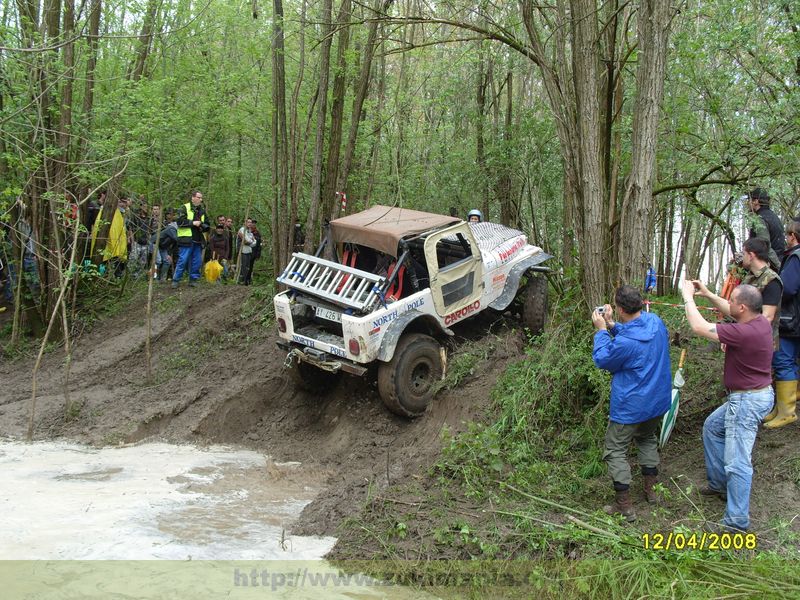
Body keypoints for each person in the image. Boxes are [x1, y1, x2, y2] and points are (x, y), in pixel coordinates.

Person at [682, 281, 773, 532]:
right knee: (712, 428)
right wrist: (708, 294)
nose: (729, 302)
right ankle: (719, 485)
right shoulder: (759, 322)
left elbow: (698, 327)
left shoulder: (744, 332)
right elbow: (730, 311)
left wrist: (688, 297)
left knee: (738, 461)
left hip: (746, 400)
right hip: (756, 394)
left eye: (732, 299)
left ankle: (736, 522)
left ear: (742, 307)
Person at [592, 285, 672, 521]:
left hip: (630, 406)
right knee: (647, 438)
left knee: (615, 449)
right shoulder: (655, 322)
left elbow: (603, 358)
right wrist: (612, 325)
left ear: (619, 309)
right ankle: (651, 491)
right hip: (657, 401)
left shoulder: (626, 343)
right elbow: (634, 340)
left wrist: (600, 331)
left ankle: (624, 505)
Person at [691, 238, 782, 345]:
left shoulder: (771, 280)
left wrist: (735, 335)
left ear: (751, 255)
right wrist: (707, 294)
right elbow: (734, 309)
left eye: (744, 254)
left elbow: (767, 318)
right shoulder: (750, 277)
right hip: (742, 342)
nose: (742, 257)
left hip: (758, 346)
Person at [764, 221, 800, 428]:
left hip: (790, 319)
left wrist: (770, 293)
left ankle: (787, 411)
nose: (786, 239)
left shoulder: (795, 257)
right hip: (796, 319)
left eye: (787, 236)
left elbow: (787, 289)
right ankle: (781, 406)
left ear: (793, 236)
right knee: (791, 360)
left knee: (783, 360)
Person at [172, 190, 209, 288]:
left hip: (198, 239)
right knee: (183, 260)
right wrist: (193, 223)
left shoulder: (202, 210)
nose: (201, 200)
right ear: (193, 197)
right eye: (199, 197)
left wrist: (203, 225)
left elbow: (207, 224)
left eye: (201, 198)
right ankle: (176, 280)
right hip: (186, 239)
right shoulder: (184, 207)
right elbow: (179, 221)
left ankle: (193, 280)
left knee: (197, 261)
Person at [746, 187, 784, 271]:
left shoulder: (760, 219)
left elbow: (764, 246)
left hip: (770, 269)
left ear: (756, 201)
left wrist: (779, 268)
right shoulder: (774, 217)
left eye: (749, 200)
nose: (748, 203)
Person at [237, 218, 256, 285]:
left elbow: (254, 243)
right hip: (242, 251)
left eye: (250, 222)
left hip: (249, 251)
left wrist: (251, 241)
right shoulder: (242, 230)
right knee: (243, 266)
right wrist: (251, 241)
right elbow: (245, 241)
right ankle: (241, 281)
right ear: (245, 223)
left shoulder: (250, 232)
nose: (250, 224)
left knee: (247, 267)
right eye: (248, 222)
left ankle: (245, 282)